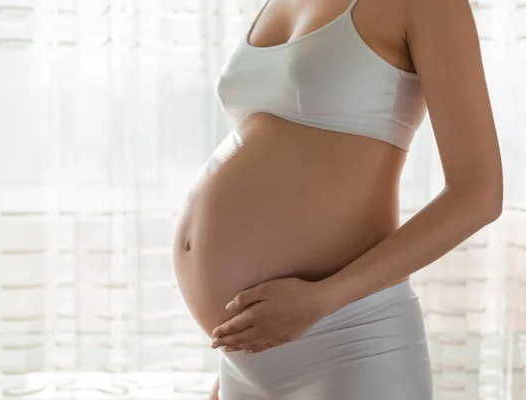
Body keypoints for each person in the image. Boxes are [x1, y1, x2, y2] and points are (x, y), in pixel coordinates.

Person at [171, 0, 503, 398]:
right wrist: (238, 366)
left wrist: (322, 300)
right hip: (246, 362)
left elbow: (479, 194)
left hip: (351, 342)